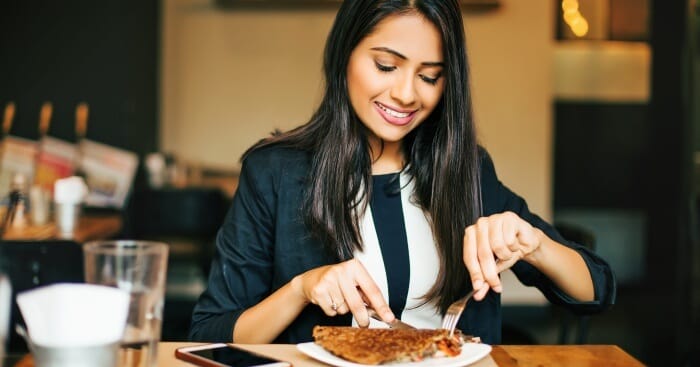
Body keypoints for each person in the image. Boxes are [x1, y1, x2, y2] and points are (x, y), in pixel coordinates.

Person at [189, 0, 615, 345]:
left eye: (430, 77)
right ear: (345, 56)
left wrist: (535, 243)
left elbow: (595, 291)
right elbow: (210, 335)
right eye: (386, 67)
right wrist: (301, 289)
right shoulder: (275, 174)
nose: (407, 94)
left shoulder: (465, 169)